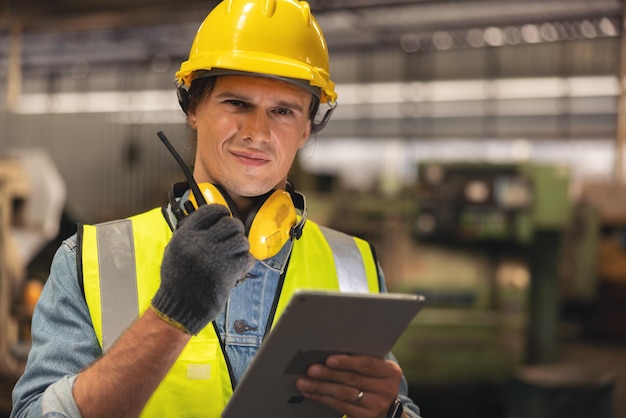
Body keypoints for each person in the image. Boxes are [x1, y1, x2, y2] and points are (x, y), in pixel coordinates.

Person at [10, 0, 421, 417]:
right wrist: (171, 313)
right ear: (192, 108)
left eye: (282, 111)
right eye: (237, 104)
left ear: (306, 127)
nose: (257, 133)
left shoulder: (355, 267)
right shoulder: (90, 259)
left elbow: (395, 404)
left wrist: (390, 413)